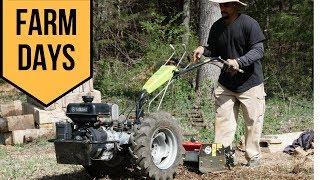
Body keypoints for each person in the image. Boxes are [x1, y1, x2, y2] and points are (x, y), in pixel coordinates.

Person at [193, 0, 266, 167]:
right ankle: (223, 158)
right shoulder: (217, 27)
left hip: (250, 83)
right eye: (220, 5)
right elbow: (214, 50)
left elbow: (258, 50)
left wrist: (239, 62)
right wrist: (203, 49)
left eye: (226, 5)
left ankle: (253, 157)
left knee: (252, 123)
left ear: (235, 5)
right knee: (223, 122)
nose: (222, 8)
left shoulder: (249, 24)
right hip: (226, 83)